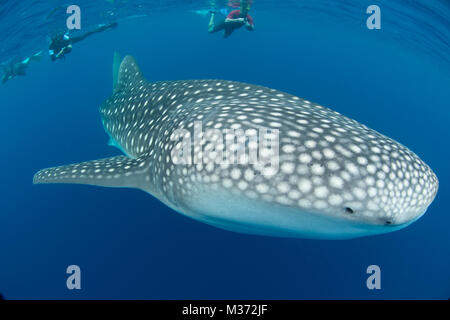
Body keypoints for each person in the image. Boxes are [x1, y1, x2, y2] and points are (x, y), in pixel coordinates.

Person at [49, 22, 118, 61]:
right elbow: (53, 59)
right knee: (84, 36)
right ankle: (104, 27)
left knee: (85, 35)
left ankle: (105, 27)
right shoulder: (51, 47)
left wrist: (69, 45)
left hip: (68, 44)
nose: (56, 38)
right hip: (64, 49)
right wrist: (59, 54)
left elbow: (69, 40)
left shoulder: (61, 36)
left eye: (56, 37)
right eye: (54, 38)